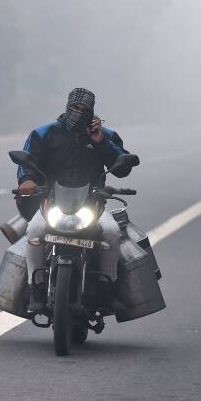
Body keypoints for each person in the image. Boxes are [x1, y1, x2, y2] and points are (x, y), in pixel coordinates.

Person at [17, 88, 134, 313]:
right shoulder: (44, 133)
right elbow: (28, 161)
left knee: (111, 232)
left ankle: (107, 288)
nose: (79, 112)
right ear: (67, 106)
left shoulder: (106, 135)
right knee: (34, 230)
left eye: (84, 109)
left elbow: (122, 168)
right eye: (75, 108)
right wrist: (27, 180)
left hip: (92, 205)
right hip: (52, 203)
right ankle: (36, 288)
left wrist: (100, 142)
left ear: (92, 111)